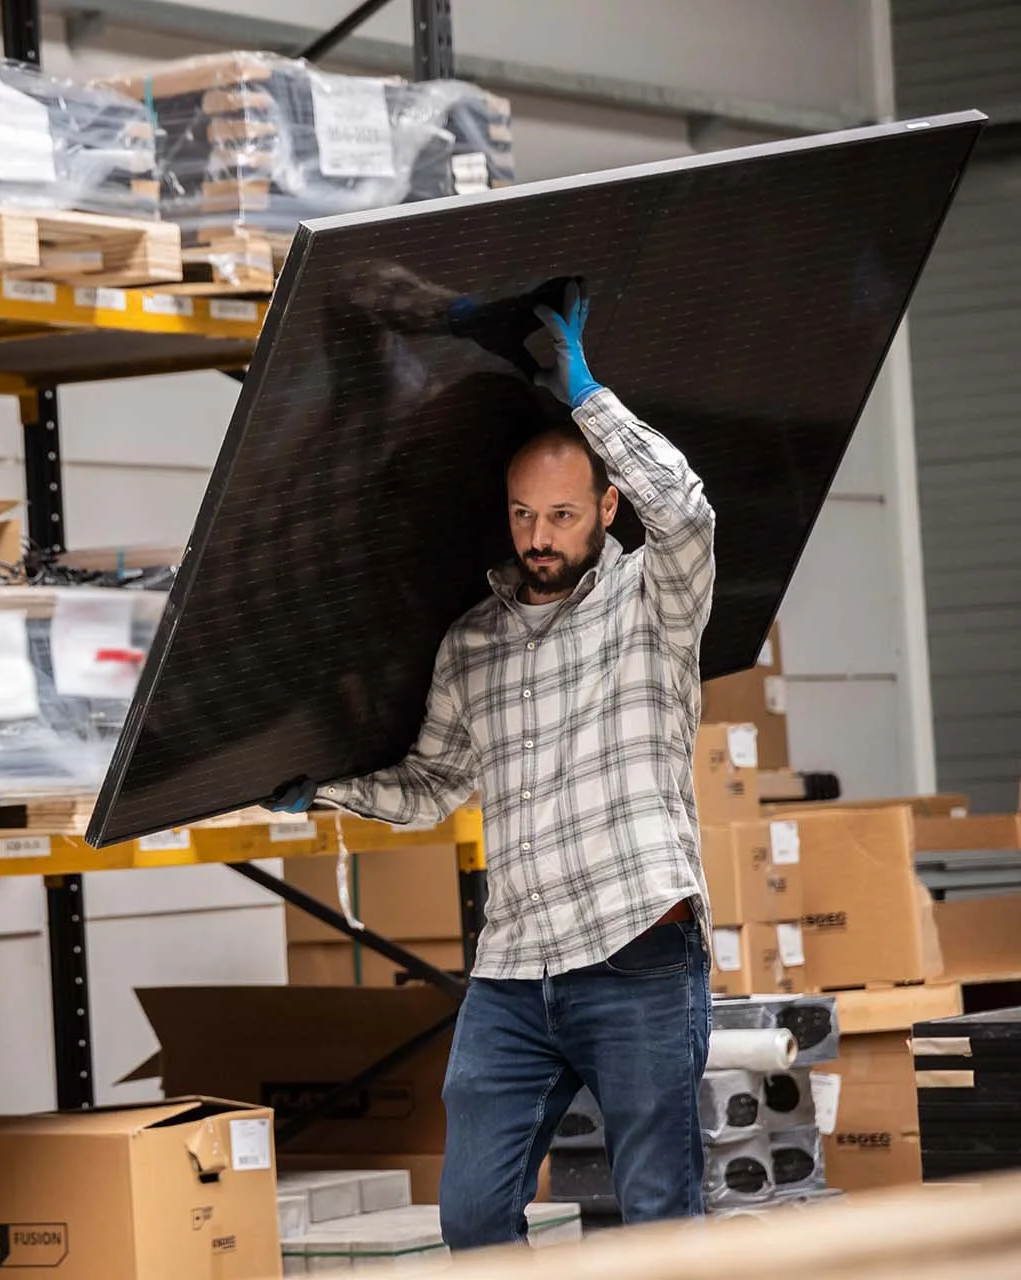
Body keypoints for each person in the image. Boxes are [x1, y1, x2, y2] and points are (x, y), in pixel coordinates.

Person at [272, 282, 716, 1246]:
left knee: (661, 1223)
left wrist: (588, 396)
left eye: (561, 517)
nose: (540, 540)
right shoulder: (472, 641)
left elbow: (686, 515)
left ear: (604, 506)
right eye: (523, 516)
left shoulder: (655, 603)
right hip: (516, 966)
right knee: (473, 1216)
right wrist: (323, 785)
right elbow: (434, 784)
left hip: (637, 945)